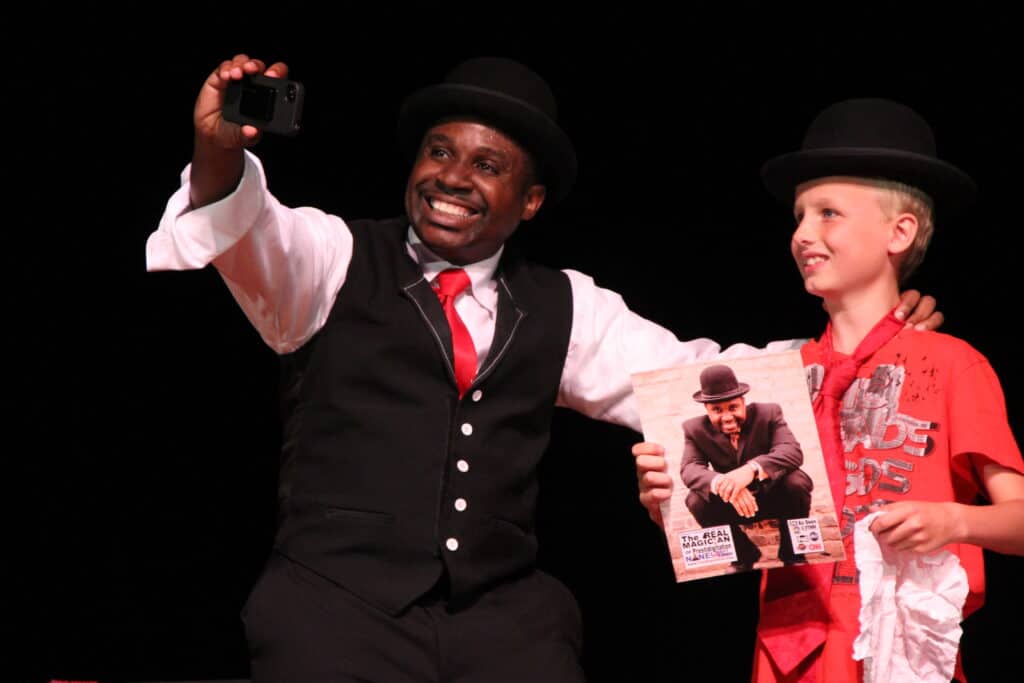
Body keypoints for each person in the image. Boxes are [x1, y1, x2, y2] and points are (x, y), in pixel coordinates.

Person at [146, 53, 942, 683]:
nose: (453, 177)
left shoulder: (566, 305)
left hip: (500, 624)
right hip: (334, 609)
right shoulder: (333, 257)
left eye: (487, 165)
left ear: (529, 202)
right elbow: (245, 228)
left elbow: (702, 376)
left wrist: (870, 338)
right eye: (439, 151)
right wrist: (217, 150)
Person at [633, 97, 1024, 682]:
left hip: (904, 657)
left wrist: (954, 522)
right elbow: (731, 534)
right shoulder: (774, 378)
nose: (803, 234)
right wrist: (666, 506)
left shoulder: (953, 365)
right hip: (791, 658)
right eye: (798, 217)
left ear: (900, 231)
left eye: (828, 214)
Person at [681, 364, 812, 571]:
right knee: (695, 499)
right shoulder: (694, 429)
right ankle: (743, 555)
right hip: (733, 506)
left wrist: (749, 471)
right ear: (707, 410)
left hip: (773, 497)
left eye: (733, 407)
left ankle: (793, 554)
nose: (726, 417)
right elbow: (690, 468)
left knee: (797, 481)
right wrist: (726, 484)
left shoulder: (768, 413)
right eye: (716, 410)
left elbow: (791, 451)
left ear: (743, 403)